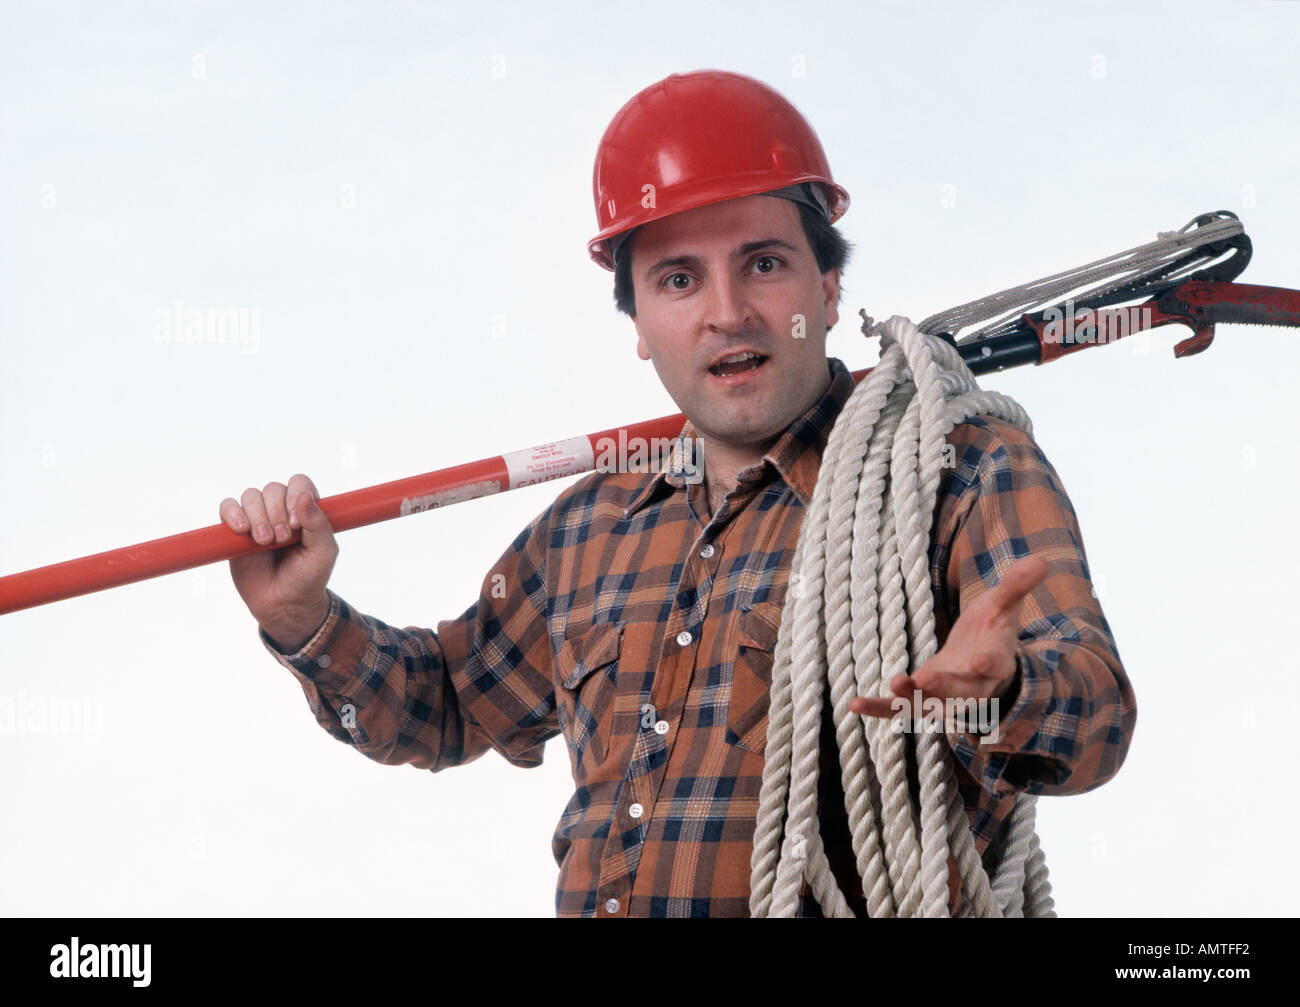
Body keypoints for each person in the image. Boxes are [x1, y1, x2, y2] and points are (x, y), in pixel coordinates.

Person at [218, 69, 1136, 918]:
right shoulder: (591, 527)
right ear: (640, 325)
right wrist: (306, 619)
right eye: (679, 279)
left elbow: (1095, 709)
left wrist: (1001, 688)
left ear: (828, 281)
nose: (727, 311)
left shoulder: (957, 469)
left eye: (765, 264)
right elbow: (449, 702)